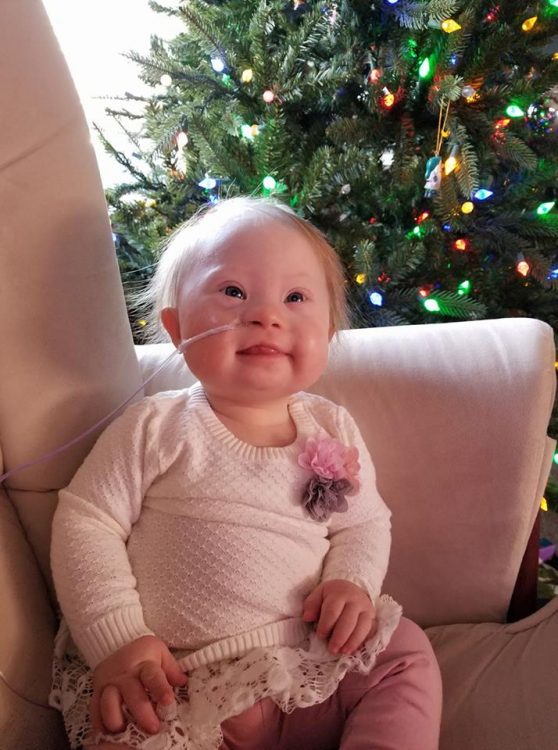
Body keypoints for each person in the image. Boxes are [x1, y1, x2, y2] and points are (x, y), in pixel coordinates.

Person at [50, 196, 442, 750]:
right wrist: (118, 639)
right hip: (182, 689)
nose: (267, 315)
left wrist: (351, 581)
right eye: (233, 292)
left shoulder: (331, 427)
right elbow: (86, 522)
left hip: (314, 670)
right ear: (177, 326)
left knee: (404, 651)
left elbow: (364, 524)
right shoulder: (154, 427)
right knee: (124, 724)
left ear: (327, 332)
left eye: (296, 297)